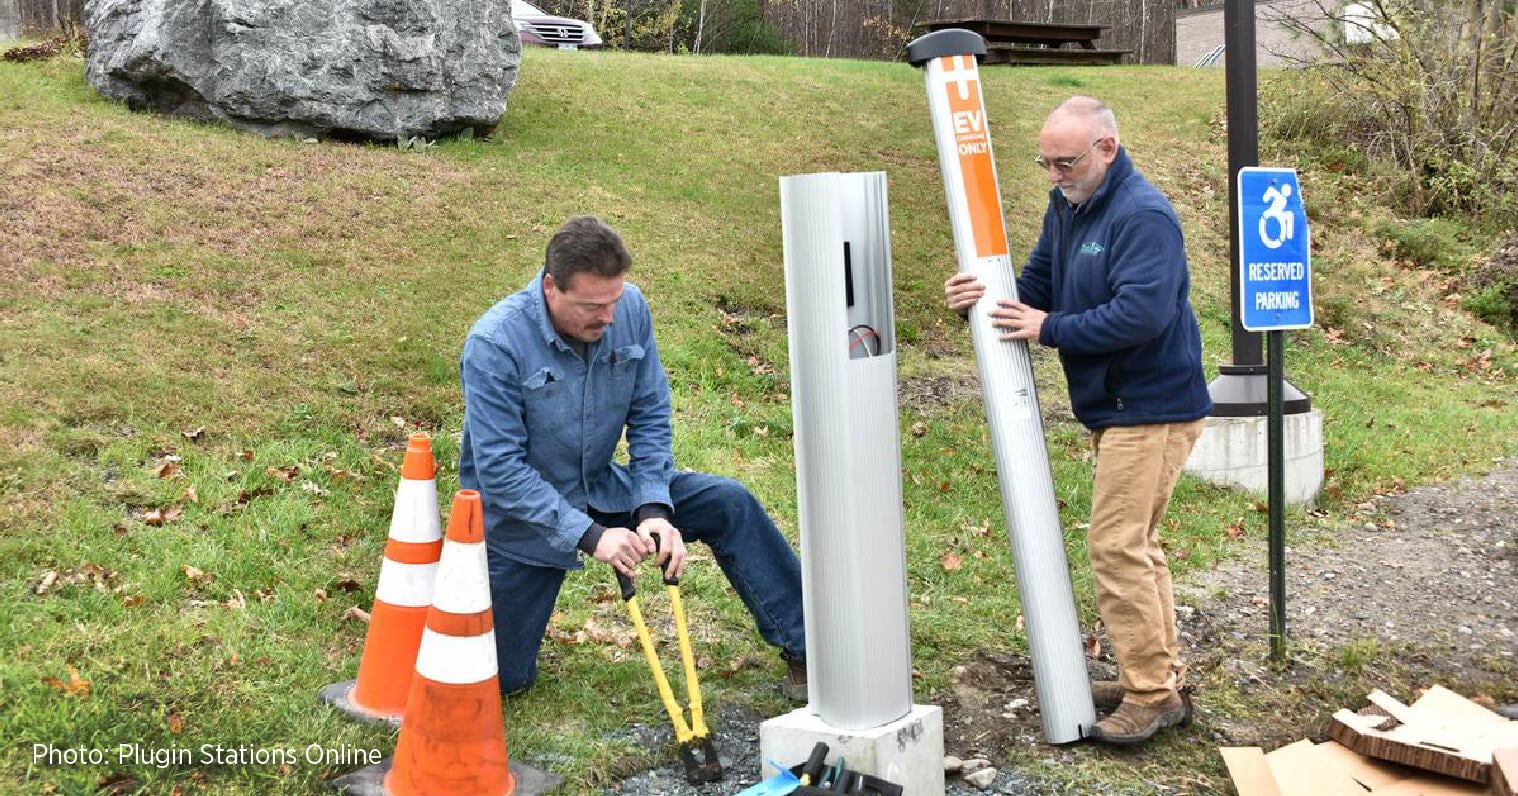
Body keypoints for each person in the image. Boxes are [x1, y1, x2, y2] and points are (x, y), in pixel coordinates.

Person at [944, 96, 1213, 744]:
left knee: (1117, 546)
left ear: (1107, 150)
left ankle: (1151, 695)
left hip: (1152, 409)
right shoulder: (1069, 207)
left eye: (1064, 162)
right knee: (1136, 547)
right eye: (1047, 162)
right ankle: (1158, 674)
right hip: (1123, 407)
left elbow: (1141, 315)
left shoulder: (1143, 216)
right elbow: (1035, 286)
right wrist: (977, 302)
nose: (1054, 174)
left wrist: (1050, 328)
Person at [459, 215, 808, 701]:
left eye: (613, 302)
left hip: (601, 487)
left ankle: (809, 650)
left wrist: (653, 509)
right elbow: (500, 473)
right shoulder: (494, 344)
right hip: (522, 523)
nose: (607, 319)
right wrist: (590, 536)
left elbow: (649, 412)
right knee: (499, 680)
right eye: (590, 307)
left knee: (728, 502)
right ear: (549, 288)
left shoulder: (631, 309)